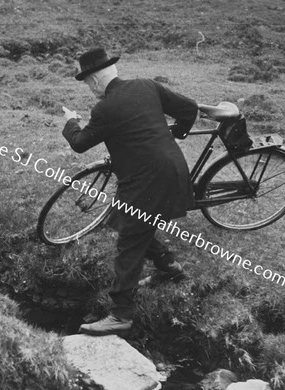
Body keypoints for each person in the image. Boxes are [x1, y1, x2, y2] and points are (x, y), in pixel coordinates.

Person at [61, 47, 199, 336]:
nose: (89, 88)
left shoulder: (104, 108)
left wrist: (70, 122)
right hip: (173, 169)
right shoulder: (146, 85)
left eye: (87, 82)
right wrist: (175, 133)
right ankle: (168, 266)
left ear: (95, 79)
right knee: (126, 219)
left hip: (148, 181)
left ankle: (121, 314)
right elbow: (189, 110)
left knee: (129, 242)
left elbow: (80, 142)